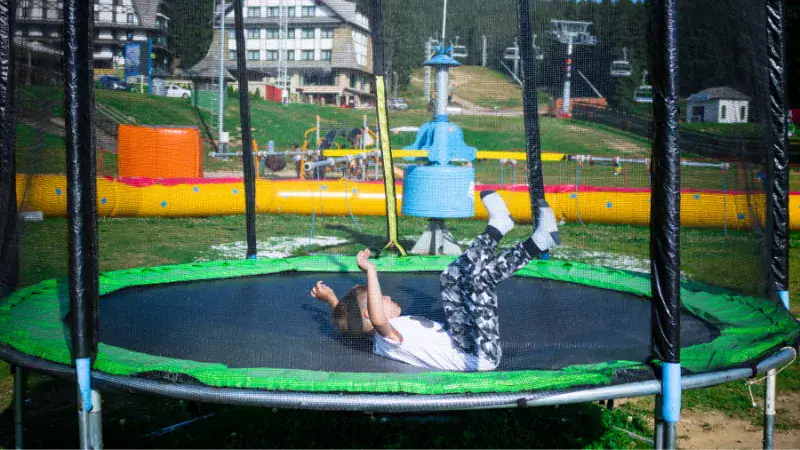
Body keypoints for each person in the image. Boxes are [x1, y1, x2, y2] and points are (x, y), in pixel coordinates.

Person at [311, 192, 560, 371]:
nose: (386, 297)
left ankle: (539, 240)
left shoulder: (372, 335)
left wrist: (332, 300)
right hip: (477, 354)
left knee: (451, 278)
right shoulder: (388, 339)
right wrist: (371, 271)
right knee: (478, 282)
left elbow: (355, 323)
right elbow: (375, 319)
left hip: (464, 337)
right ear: (370, 312)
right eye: (381, 298)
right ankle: (498, 229)